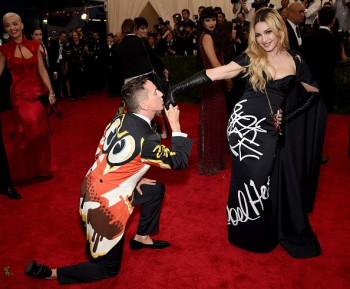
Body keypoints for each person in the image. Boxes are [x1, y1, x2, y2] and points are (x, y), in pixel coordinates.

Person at [165, 7, 321, 258]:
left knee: (264, 181)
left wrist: (287, 116)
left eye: (268, 32)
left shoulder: (296, 60)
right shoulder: (252, 56)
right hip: (243, 126)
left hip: (271, 127)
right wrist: (176, 88)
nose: (264, 39)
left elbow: (312, 92)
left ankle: (262, 229)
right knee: (255, 179)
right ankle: (249, 234)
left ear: (279, 30)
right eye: (258, 34)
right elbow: (218, 72)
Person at [24, 75, 193, 284]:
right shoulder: (148, 140)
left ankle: (142, 238)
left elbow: (106, 154)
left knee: (154, 190)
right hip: (105, 205)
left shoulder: (120, 117)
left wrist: (134, 177)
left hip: (91, 185)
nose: (161, 94)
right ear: (144, 104)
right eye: (155, 92)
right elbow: (179, 161)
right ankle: (52, 272)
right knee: (108, 270)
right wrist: (175, 126)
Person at [0, 12, 56, 181]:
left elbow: (41, 70)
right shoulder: (3, 50)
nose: (12, 28)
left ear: (22, 25)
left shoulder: (33, 45)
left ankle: (42, 168)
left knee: (40, 130)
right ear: (5, 28)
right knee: (28, 129)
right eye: (8, 25)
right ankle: (24, 169)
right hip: (18, 96)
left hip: (36, 93)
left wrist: (51, 92)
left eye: (15, 24)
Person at [302, 6, 340, 211]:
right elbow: (334, 65)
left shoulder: (308, 38)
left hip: (308, 87)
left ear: (317, 19)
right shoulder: (335, 40)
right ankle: (315, 156)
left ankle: (307, 153)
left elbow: (303, 65)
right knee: (320, 124)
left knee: (307, 121)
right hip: (325, 89)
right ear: (333, 21)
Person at [197, 7, 230, 176]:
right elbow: (215, 63)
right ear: (202, 22)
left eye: (213, 19)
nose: (211, 23)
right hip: (213, 82)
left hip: (214, 82)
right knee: (213, 121)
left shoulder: (210, 36)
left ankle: (215, 159)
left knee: (216, 120)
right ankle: (211, 161)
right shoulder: (207, 36)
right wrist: (228, 78)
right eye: (207, 20)